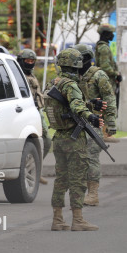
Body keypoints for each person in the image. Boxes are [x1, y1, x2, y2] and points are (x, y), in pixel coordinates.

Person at [43, 48, 103, 231]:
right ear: (76, 65)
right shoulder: (71, 85)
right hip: (73, 140)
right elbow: (76, 106)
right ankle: (78, 220)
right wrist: (91, 116)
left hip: (59, 138)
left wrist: (90, 103)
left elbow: (67, 105)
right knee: (78, 180)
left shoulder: (53, 83)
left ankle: (57, 219)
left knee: (61, 180)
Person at [74, 43, 116, 207]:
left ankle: (93, 194)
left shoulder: (99, 75)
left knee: (91, 157)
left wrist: (111, 123)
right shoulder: (72, 76)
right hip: (75, 122)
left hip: (93, 123)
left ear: (86, 58)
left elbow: (109, 98)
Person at [17, 48, 52, 184]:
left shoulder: (30, 74)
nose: (30, 63)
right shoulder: (17, 76)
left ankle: (34, 169)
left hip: (37, 112)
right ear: (21, 61)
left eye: (32, 61)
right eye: (27, 60)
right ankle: (28, 171)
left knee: (46, 141)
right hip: (24, 112)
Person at [95, 23, 121, 109]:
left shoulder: (102, 46)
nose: (113, 35)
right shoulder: (104, 48)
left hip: (107, 82)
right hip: (107, 83)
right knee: (109, 108)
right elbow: (105, 67)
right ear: (106, 34)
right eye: (111, 33)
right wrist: (116, 74)